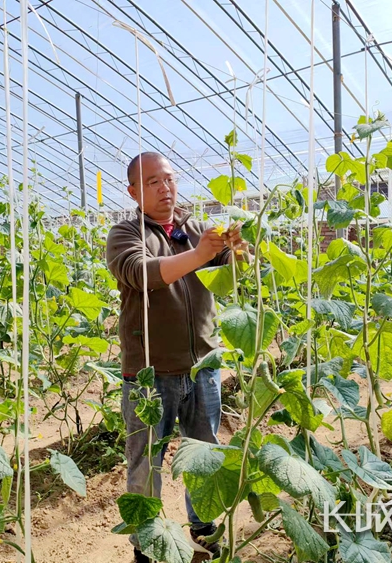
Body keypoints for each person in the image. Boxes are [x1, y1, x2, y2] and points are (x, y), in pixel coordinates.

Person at [106, 152, 248, 563]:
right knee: (144, 463)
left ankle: (203, 532)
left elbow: (235, 269)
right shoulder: (125, 234)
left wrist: (240, 249)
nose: (165, 187)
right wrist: (202, 253)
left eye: (169, 178)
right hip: (148, 375)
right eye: (152, 182)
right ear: (134, 191)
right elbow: (145, 273)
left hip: (202, 368)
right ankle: (147, 547)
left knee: (203, 454)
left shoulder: (198, 229)